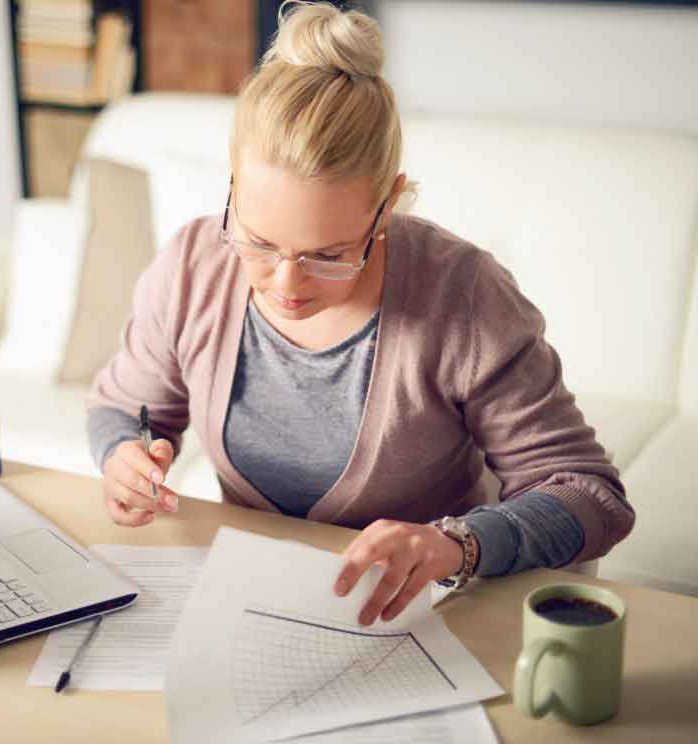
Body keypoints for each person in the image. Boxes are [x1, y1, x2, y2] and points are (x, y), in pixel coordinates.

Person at [86, 1, 634, 626]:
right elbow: (121, 408)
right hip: (246, 609)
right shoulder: (193, 263)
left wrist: (460, 544)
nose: (285, 284)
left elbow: (590, 495)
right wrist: (124, 456)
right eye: (258, 241)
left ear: (388, 203)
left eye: (329, 254)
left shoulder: (464, 296)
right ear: (232, 185)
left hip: (424, 623)